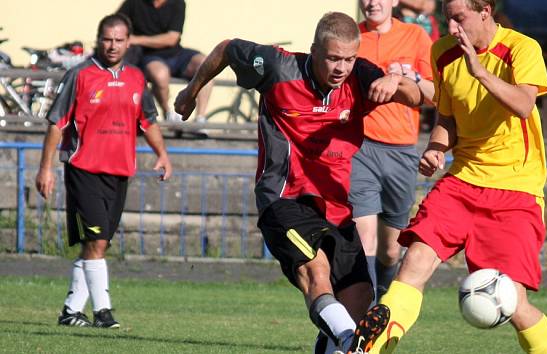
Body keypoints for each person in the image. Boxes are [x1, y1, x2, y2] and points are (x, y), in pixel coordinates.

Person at [174, 12, 421, 354]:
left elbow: (418, 97)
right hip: (285, 200)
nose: (341, 68)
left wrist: (396, 81)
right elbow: (228, 49)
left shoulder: (361, 76)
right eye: (334, 58)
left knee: (359, 298)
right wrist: (191, 90)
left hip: (336, 206)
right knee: (316, 273)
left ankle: (344, 342)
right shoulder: (278, 67)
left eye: (348, 59)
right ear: (314, 51)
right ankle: (353, 343)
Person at [349, 0, 547, 353]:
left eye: (459, 18)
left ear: (485, 11)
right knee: (412, 265)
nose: (452, 28)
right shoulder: (443, 52)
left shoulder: (522, 48)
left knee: (514, 304)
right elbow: (447, 118)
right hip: (461, 181)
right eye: (447, 18)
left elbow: (524, 105)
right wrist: (436, 147)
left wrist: (479, 70)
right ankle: (368, 349)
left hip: (515, 191)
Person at [35, 14, 172, 328]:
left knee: (98, 245)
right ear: (98, 40)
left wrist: (163, 154)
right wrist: (46, 168)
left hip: (120, 170)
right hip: (84, 169)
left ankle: (70, 311)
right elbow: (57, 123)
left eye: (119, 40)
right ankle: (103, 312)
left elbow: (147, 121)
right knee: (96, 242)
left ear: (128, 42)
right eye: (107, 39)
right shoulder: (80, 75)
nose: (113, 46)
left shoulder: (137, 78)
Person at [351, 0, 434, 303]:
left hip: (401, 152)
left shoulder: (415, 36)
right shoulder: (351, 37)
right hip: (360, 147)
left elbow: (436, 95)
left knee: (390, 249)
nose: (372, 2)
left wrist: (403, 78)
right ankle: (366, 313)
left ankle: (382, 291)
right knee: (364, 238)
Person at [117, 0, 212, 122]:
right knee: (160, 74)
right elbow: (116, 24)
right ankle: (169, 114)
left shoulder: (178, 3)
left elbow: (172, 39)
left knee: (206, 65)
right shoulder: (134, 3)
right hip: (149, 56)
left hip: (177, 53)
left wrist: (137, 39)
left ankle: (200, 119)